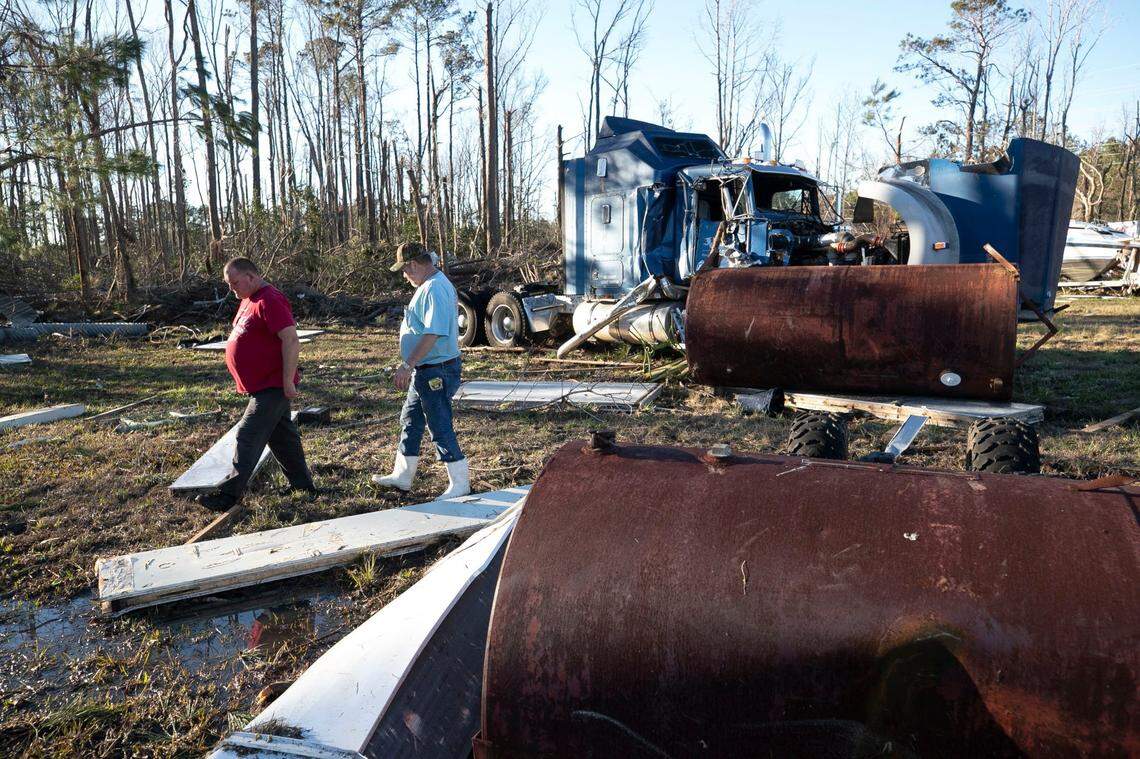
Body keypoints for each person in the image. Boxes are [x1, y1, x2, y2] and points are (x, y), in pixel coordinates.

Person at [196, 257, 316, 511]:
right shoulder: (247, 300)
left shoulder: (270, 299)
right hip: (261, 385)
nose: (232, 289)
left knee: (248, 435)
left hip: (273, 384)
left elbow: (291, 340)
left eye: (235, 282)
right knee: (282, 438)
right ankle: (303, 486)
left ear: (251, 276)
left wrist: (287, 381)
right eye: (228, 284)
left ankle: (228, 495)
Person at [373, 242, 469, 498]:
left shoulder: (435, 288)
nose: (405, 277)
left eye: (405, 271)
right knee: (411, 419)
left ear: (413, 265)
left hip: (436, 370)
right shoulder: (431, 285)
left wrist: (407, 364)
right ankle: (402, 475)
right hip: (427, 370)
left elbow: (433, 333)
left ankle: (459, 483)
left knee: (438, 423)